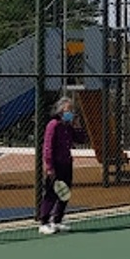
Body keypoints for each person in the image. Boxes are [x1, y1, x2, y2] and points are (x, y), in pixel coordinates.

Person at [39, 96, 86, 234]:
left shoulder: (68, 126)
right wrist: (49, 167)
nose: (70, 113)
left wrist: (77, 125)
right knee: (51, 193)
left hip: (67, 164)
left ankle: (57, 221)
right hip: (55, 165)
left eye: (72, 110)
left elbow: (81, 139)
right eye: (68, 110)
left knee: (65, 193)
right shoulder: (53, 125)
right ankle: (44, 222)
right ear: (60, 111)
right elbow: (47, 147)